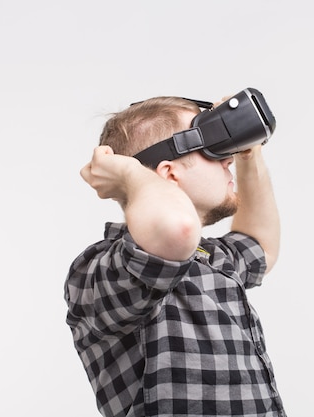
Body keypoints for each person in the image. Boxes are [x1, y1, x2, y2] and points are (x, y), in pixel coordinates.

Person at [64, 92, 286, 417]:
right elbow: (174, 230)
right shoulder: (103, 269)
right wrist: (130, 174)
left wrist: (250, 156)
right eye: (213, 149)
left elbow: (261, 246)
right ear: (169, 174)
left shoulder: (207, 259)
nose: (228, 159)